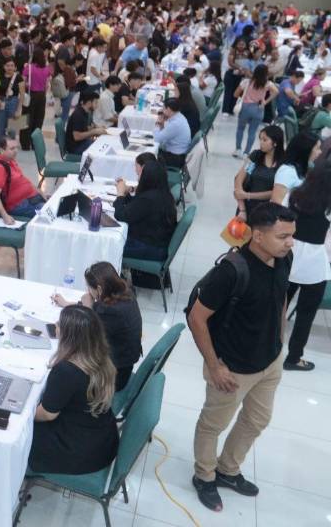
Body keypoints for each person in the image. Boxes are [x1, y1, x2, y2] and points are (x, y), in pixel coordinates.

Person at [189, 202, 295, 512]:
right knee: (213, 424)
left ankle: (228, 469)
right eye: (283, 236)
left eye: (292, 235)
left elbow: (281, 296)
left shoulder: (284, 258)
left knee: (257, 419)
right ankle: (204, 475)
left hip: (270, 361)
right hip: (232, 367)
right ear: (258, 236)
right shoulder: (232, 271)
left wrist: (280, 338)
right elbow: (197, 318)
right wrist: (214, 366)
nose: (290, 243)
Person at [28, 305, 119, 475]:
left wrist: (23, 413)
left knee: (16, 432)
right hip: (102, 441)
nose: (55, 327)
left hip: (78, 452)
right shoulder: (98, 355)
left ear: (69, 336)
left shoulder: (67, 370)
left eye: (59, 325)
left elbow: (47, 414)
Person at [53, 262, 142, 391]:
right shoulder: (124, 293)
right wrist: (67, 304)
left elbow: (86, 337)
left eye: (89, 288)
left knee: (64, 367)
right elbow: (97, 309)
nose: (88, 291)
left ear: (99, 289)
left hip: (113, 377)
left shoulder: (112, 312)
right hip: (122, 364)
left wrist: (63, 334)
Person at [283, 162, 331, 371]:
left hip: (288, 257)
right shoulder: (328, 207)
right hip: (315, 266)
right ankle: (293, 358)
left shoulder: (294, 196)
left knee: (276, 307)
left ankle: (265, 347)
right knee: (305, 314)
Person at [114, 160, 177, 260]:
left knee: (110, 245)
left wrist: (120, 195)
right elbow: (136, 207)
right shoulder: (161, 193)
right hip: (156, 242)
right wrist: (126, 193)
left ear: (147, 178)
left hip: (150, 247)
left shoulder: (149, 199)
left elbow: (121, 215)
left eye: (140, 173)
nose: (138, 175)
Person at [0, 131, 47, 222]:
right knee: (50, 215)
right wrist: (5, 216)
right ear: (2, 150)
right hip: (19, 205)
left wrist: (40, 192)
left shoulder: (9, 159)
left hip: (31, 198)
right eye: (12, 148)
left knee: (55, 205)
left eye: (16, 147)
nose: (16, 151)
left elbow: (23, 179)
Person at [233, 125, 284, 221]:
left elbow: (277, 192)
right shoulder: (256, 156)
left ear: (275, 143)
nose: (261, 143)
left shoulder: (283, 164)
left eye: (265, 140)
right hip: (246, 209)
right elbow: (239, 178)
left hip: (267, 211)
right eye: (260, 139)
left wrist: (247, 195)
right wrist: (242, 209)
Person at [233, 65, 278, 158]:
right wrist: (266, 101)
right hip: (259, 108)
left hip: (245, 107)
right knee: (252, 131)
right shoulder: (268, 84)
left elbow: (235, 94)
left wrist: (243, 97)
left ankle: (238, 149)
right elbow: (276, 92)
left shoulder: (246, 82)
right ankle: (246, 153)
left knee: (240, 129)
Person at [270, 131, 321, 205]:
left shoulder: (301, 169)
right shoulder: (288, 171)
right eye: (317, 148)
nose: (320, 152)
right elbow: (276, 204)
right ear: (306, 149)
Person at [21, 47, 51, 150]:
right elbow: (47, 85)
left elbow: (23, 82)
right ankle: (35, 143)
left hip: (30, 95)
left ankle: (25, 144)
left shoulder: (28, 68)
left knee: (26, 119)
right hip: (41, 96)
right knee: (38, 120)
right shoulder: (47, 69)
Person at [154, 99, 192, 168]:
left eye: (163, 108)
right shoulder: (179, 116)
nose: (162, 110)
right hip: (177, 154)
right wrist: (161, 125)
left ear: (168, 109)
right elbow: (164, 136)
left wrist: (158, 123)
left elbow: (156, 139)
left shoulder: (176, 124)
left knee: (149, 157)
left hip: (175, 158)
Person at [0, 57, 24, 140]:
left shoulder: (19, 77)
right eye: (7, 65)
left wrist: (19, 110)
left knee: (12, 129)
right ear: (4, 66)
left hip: (14, 103)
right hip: (1, 103)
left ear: (15, 67)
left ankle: (11, 146)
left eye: (12, 65)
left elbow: (22, 94)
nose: (10, 67)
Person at [65, 90, 105, 155]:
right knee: (100, 150)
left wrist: (96, 129)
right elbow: (77, 136)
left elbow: (83, 129)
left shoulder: (85, 112)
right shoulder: (78, 115)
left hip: (81, 143)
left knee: (100, 143)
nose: (97, 106)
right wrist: (94, 132)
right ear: (89, 103)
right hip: (75, 148)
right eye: (96, 103)